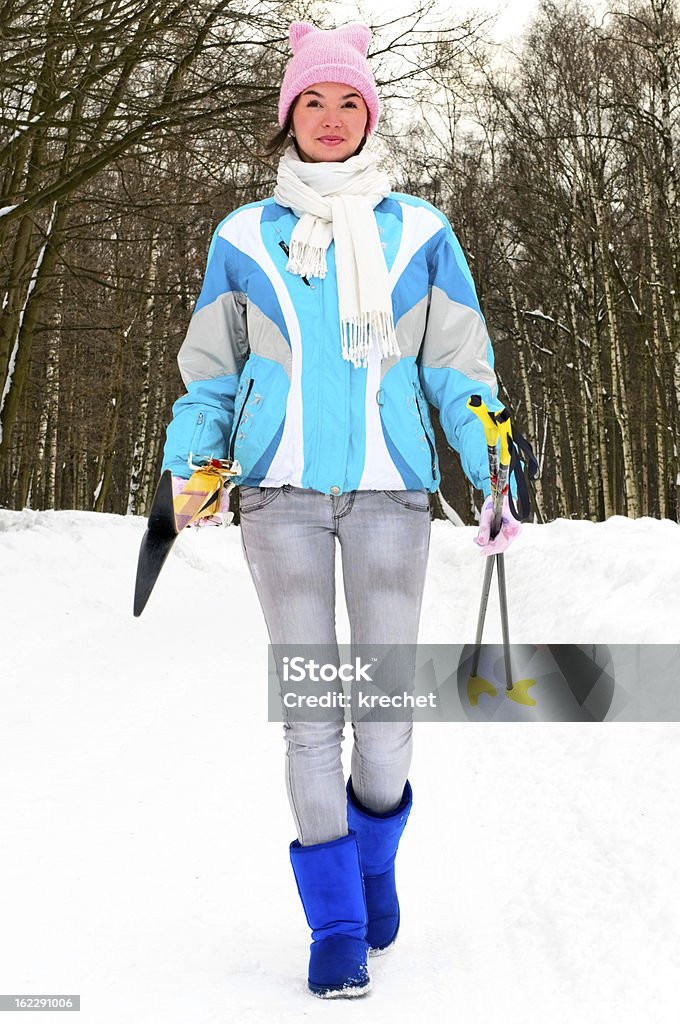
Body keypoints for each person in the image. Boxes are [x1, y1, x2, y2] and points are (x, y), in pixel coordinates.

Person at [161, 20, 520, 1000]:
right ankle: (334, 923)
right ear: (287, 117)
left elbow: (458, 364)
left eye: (346, 101)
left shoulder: (419, 231)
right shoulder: (241, 236)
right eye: (311, 101)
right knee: (311, 712)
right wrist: (194, 462)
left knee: (386, 707)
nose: (328, 118)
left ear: (370, 115)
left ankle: (372, 863)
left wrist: (490, 461)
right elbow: (210, 368)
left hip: (390, 494)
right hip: (276, 496)